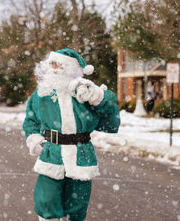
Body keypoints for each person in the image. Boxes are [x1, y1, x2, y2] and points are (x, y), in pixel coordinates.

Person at [23, 48, 120, 221]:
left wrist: (98, 97)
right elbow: (31, 120)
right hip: (51, 154)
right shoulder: (42, 93)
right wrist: (34, 138)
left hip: (81, 157)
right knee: (46, 200)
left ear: (71, 69)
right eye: (51, 64)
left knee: (77, 206)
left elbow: (112, 123)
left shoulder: (85, 92)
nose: (53, 68)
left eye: (58, 65)